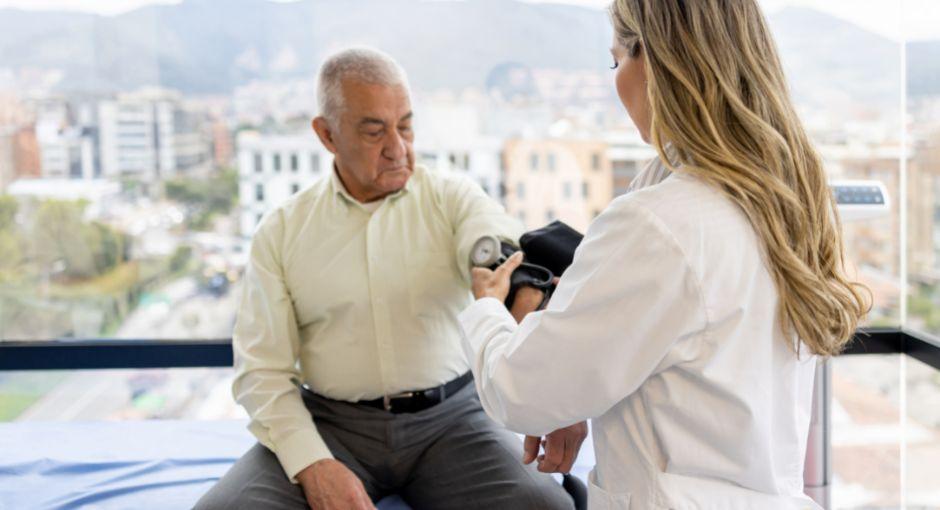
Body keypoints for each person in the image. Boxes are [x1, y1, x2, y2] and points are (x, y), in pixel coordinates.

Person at [458, 1, 869, 509]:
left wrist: (485, 308)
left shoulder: (660, 224)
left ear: (651, 61)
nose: (616, 82)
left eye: (616, 61)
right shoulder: (790, 200)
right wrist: (578, 368)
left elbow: (517, 390)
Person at [195, 47, 582, 510]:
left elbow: (499, 252)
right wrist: (312, 464)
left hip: (455, 421)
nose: (398, 148)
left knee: (548, 508)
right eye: (375, 130)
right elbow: (261, 371)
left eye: (405, 126)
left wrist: (551, 382)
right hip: (331, 426)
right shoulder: (281, 232)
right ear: (327, 134)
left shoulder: (452, 196)